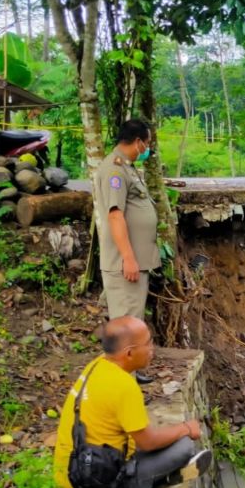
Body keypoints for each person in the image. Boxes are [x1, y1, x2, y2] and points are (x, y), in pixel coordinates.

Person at [53, 316, 212, 488]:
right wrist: (186, 427)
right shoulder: (125, 386)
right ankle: (150, 483)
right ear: (129, 353)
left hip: (73, 472)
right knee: (184, 447)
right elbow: (147, 443)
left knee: (158, 435)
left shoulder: (96, 365)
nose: (152, 348)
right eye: (148, 343)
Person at [95, 119, 160, 383]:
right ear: (138, 142)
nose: (148, 148)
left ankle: (129, 375)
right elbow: (115, 216)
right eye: (147, 143)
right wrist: (129, 258)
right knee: (124, 329)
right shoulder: (115, 170)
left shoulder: (127, 168)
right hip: (125, 263)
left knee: (131, 323)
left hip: (135, 261)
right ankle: (122, 384)